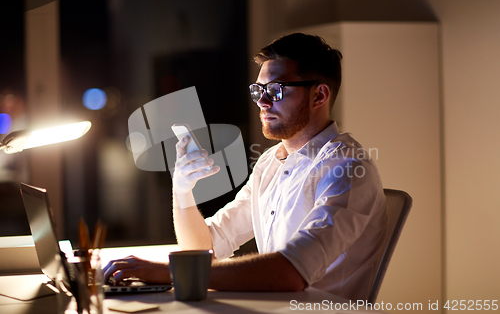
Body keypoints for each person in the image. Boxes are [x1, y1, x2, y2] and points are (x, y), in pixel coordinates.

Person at [104, 33, 387, 301]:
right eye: (258, 90)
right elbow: (206, 249)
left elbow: (292, 272)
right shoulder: (271, 162)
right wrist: (182, 191)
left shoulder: (347, 167)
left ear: (319, 96)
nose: (262, 102)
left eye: (275, 90)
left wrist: (169, 272)